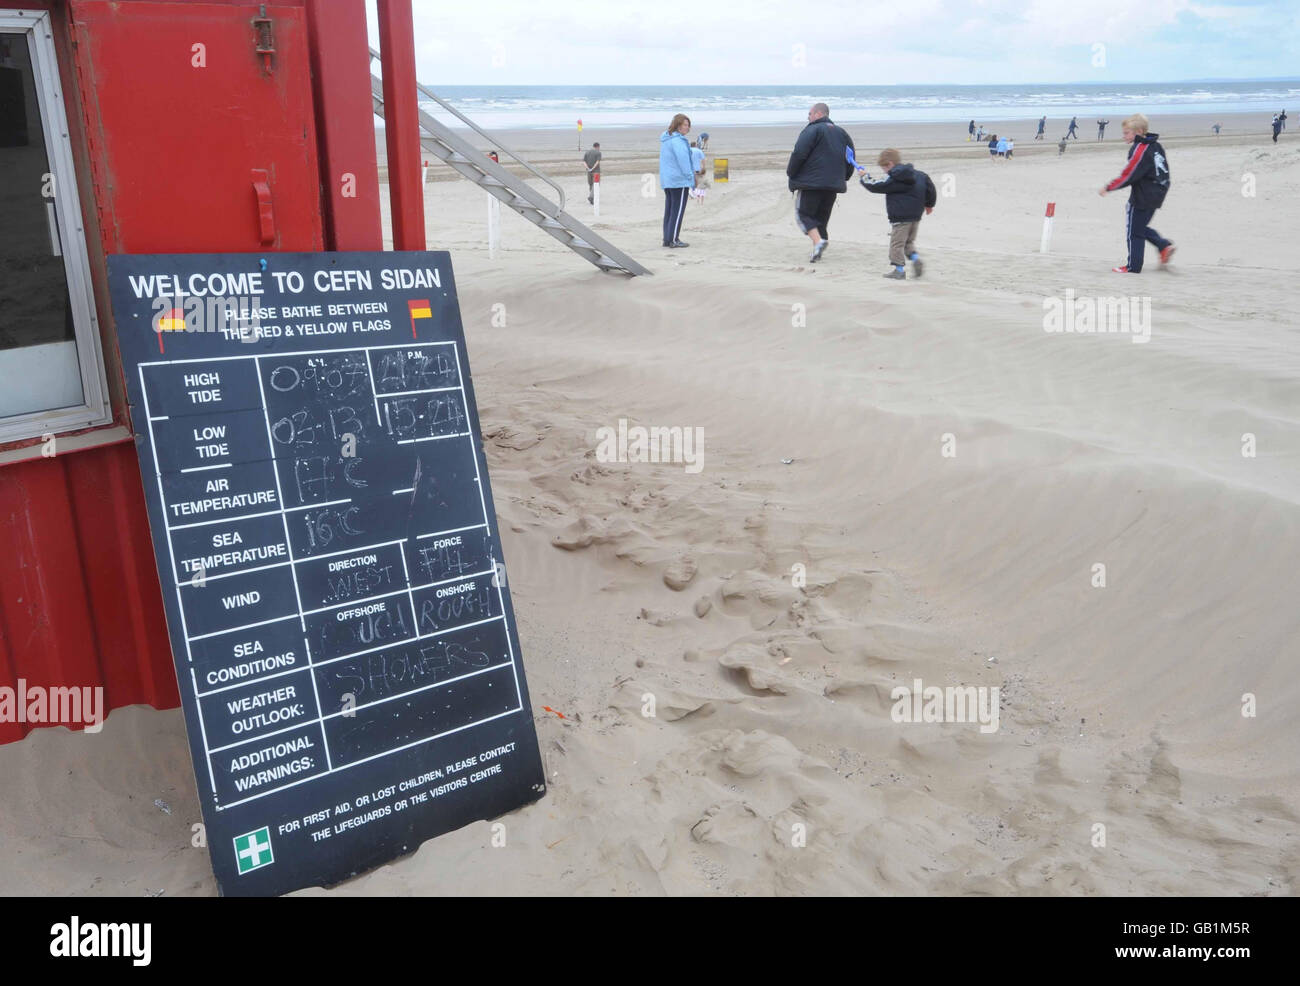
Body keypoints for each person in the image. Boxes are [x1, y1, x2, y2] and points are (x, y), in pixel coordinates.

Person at [1098, 113, 1173, 274]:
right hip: (1159, 192)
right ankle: (1163, 246)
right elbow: (1164, 171)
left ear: (1138, 131)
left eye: (1126, 133)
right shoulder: (1156, 146)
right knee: (1139, 227)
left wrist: (1109, 187)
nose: (1124, 136)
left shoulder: (1140, 149)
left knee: (1134, 232)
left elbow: (1129, 174)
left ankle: (1133, 266)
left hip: (1143, 195)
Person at [786, 101, 856, 263]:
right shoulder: (842, 133)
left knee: (803, 215)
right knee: (820, 220)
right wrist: (843, 176)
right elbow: (850, 159)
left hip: (811, 183)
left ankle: (818, 242)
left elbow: (799, 153)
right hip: (832, 184)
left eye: (809, 114)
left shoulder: (812, 130)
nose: (808, 118)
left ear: (818, 114)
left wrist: (791, 173)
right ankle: (817, 251)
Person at [860, 148, 936, 280]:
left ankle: (899, 270)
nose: (884, 171)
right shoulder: (920, 175)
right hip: (916, 216)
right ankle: (915, 258)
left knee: (896, 244)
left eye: (884, 168)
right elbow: (930, 188)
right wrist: (929, 204)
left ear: (889, 164)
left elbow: (876, 186)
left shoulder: (894, 178)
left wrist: (864, 177)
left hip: (900, 218)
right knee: (908, 241)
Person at [659, 114, 696, 247]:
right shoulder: (677, 141)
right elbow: (684, 161)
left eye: (688, 125)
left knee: (669, 211)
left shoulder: (667, 139)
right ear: (678, 125)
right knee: (677, 211)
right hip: (678, 180)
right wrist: (690, 179)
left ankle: (667, 239)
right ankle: (673, 240)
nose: (687, 128)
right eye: (685, 125)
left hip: (668, 180)